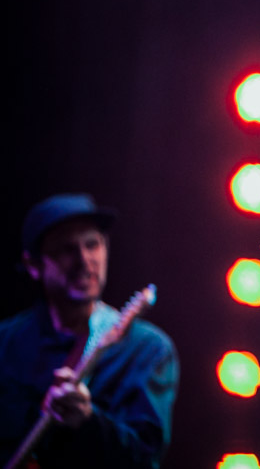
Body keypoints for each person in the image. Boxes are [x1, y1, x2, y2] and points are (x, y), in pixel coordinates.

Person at [0, 193, 179, 468]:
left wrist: (88, 421)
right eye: (66, 249)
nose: (84, 260)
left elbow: (146, 458)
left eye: (92, 244)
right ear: (33, 265)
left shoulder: (146, 348)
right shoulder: (6, 342)